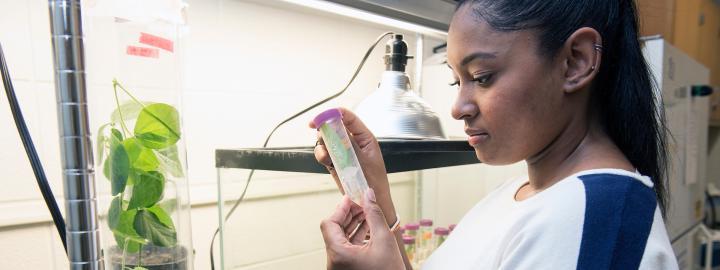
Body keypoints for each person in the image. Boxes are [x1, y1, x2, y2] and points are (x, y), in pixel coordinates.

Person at [310, 0, 678, 269]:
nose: (458, 107)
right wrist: (376, 198)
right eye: (458, 80)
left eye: (482, 77)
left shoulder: (592, 217)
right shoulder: (519, 195)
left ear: (575, 62)